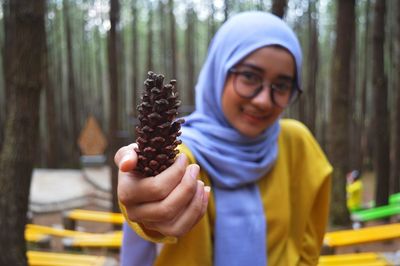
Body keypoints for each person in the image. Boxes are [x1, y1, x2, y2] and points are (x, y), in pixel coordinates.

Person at [115, 11, 332, 266]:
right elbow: (157, 198)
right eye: (250, 76)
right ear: (219, 70)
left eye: (281, 85)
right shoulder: (182, 152)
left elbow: (308, 240)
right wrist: (145, 192)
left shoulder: (297, 145)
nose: (263, 100)